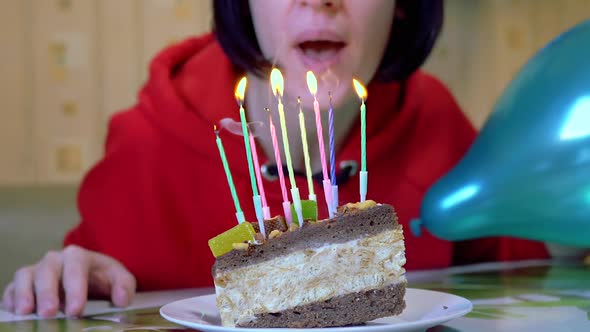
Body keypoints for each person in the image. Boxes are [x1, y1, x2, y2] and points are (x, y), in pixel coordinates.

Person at [2, 0, 548, 318]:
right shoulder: (146, 143)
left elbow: (524, 280)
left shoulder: (436, 120)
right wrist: (68, 276)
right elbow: (89, 282)